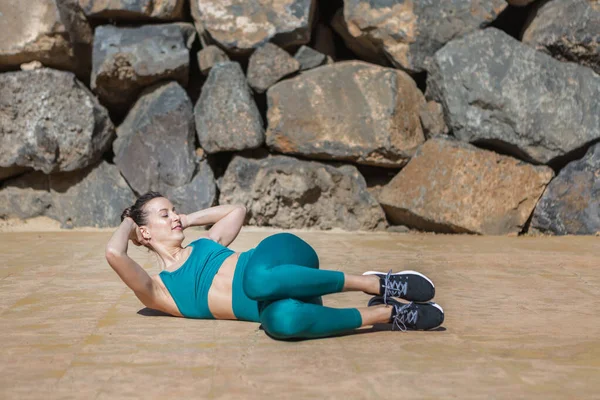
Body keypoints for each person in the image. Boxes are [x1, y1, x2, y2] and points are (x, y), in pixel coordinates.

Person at [105, 191, 444, 340]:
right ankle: (387, 314)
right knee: (280, 323)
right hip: (284, 300)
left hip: (285, 256)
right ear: (145, 230)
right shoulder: (158, 290)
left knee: (256, 281)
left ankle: (376, 283)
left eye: (174, 210)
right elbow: (115, 255)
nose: (175, 215)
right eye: (165, 214)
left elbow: (235, 211)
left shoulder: (207, 243)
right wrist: (127, 221)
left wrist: (186, 219)